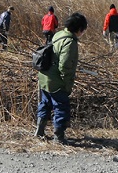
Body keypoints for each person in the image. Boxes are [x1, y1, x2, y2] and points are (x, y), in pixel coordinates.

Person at [34, 12, 88, 144]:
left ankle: (39, 131)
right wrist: (67, 84)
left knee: (45, 103)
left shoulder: (58, 34)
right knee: (61, 107)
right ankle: (58, 137)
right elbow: (65, 67)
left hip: (44, 76)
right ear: (80, 29)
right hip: (56, 81)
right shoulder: (70, 42)